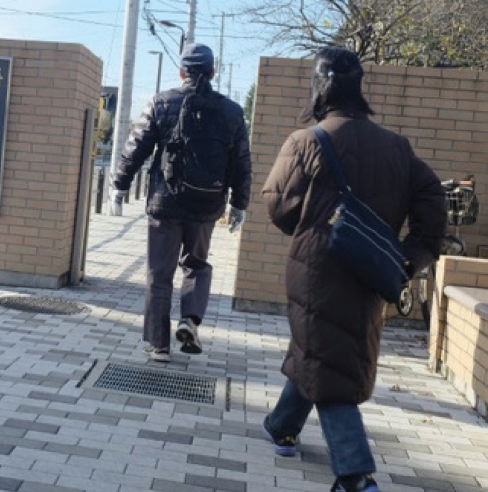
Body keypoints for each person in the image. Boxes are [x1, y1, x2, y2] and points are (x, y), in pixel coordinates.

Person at [261, 47, 446, 492]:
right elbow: (433, 200)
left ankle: (354, 474)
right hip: (372, 270)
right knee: (325, 348)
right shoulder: (396, 147)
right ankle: (281, 426)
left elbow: (277, 206)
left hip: (317, 268)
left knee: (329, 359)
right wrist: (412, 253)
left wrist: (312, 219)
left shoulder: (306, 140)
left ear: (319, 87)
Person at [111, 43, 251, 361]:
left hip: (165, 202)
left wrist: (120, 185)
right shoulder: (232, 112)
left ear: (181, 71)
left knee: (159, 273)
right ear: (213, 72)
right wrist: (239, 204)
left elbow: (136, 148)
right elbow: (242, 162)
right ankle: (190, 319)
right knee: (197, 265)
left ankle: (158, 344)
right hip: (207, 204)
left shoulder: (161, 103)